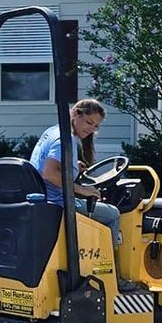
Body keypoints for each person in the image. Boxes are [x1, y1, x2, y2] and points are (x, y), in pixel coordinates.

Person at [28, 98, 122, 246]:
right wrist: (82, 190)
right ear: (76, 114)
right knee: (113, 214)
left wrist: (72, 165)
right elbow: (49, 174)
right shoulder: (65, 138)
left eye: (96, 126)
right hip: (58, 202)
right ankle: (110, 260)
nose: (92, 129)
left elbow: (46, 163)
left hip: (45, 197)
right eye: (89, 122)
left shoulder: (52, 131)